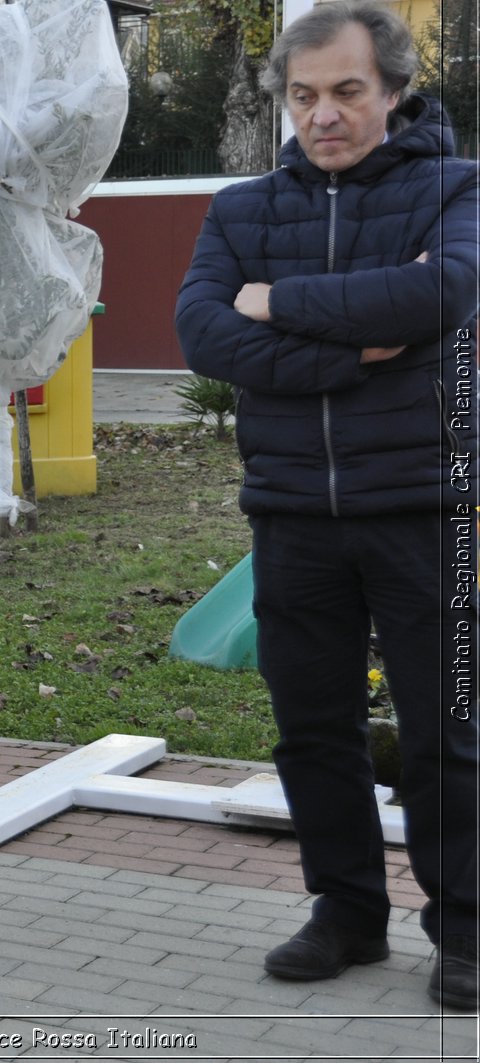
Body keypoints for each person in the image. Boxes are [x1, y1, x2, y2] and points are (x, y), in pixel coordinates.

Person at [175, 0, 478, 1008]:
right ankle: (346, 914)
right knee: (312, 729)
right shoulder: (240, 210)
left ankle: (466, 931)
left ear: (391, 89)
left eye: (346, 91)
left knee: (447, 731)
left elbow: (438, 298)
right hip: (292, 514)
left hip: (428, 511)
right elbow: (206, 338)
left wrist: (274, 300)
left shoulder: (457, 189)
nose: (324, 114)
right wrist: (352, 351)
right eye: (303, 96)